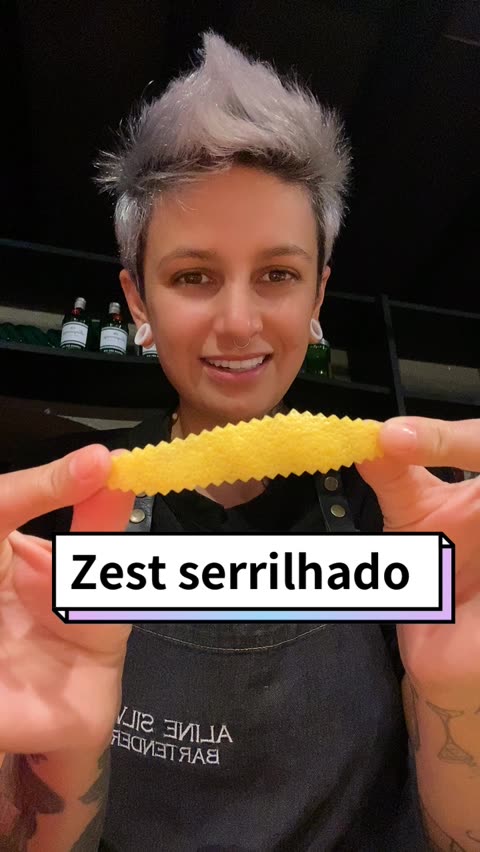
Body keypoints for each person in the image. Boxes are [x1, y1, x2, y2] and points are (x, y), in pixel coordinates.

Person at [1, 31, 479, 852]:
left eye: (277, 275)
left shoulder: (416, 525)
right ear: (137, 301)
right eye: (193, 276)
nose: (237, 321)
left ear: (318, 294)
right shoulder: (49, 526)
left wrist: (459, 700)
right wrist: (57, 755)